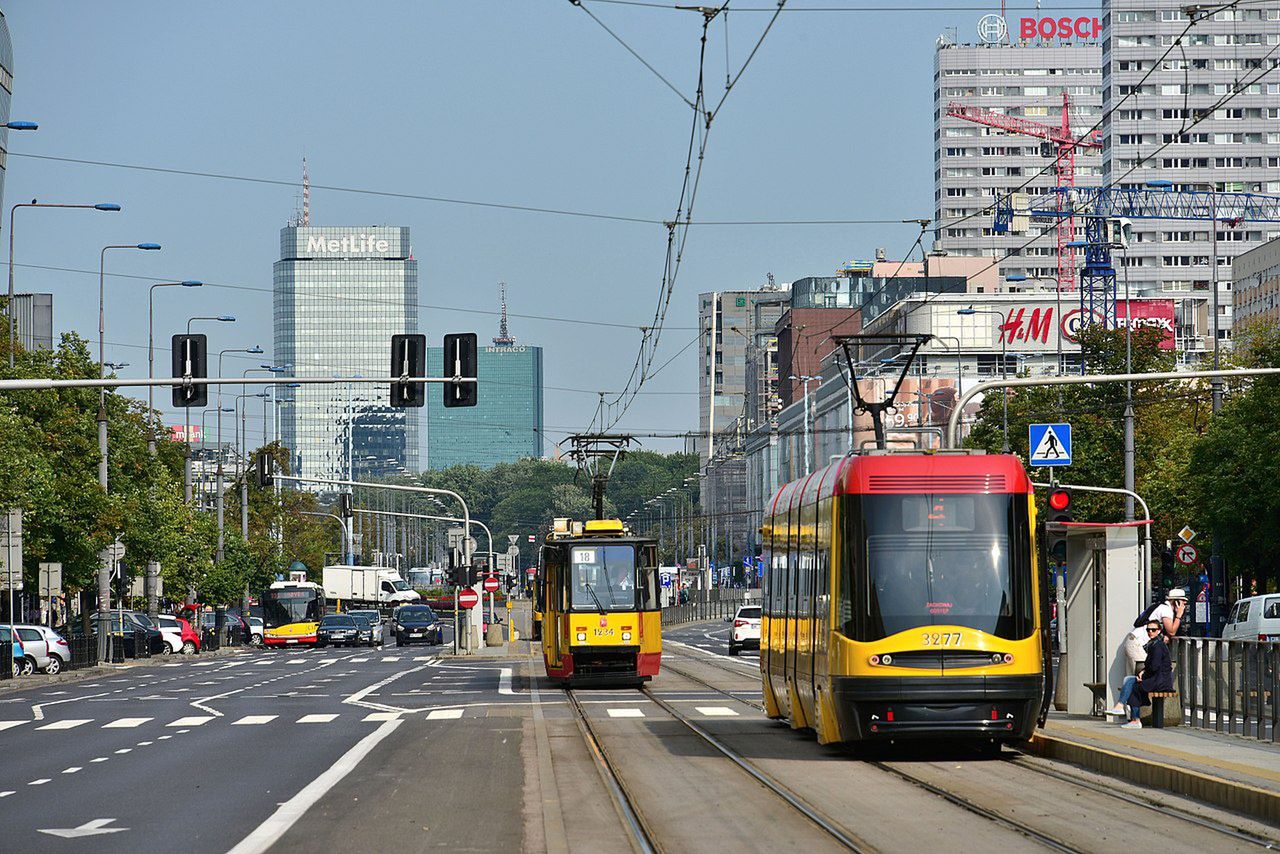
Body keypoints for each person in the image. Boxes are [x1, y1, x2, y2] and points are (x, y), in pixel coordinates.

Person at [1107, 620, 1174, 728]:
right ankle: (1122, 709)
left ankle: (1132, 717)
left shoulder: (1157, 646)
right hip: (1157, 678)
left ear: (1159, 631)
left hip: (1160, 681)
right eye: (1148, 630)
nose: (1150, 632)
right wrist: (1143, 672)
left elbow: (1154, 667)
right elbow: (1152, 666)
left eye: (1153, 630)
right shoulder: (1154, 644)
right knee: (1129, 680)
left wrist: (1144, 674)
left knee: (1133, 686)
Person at [1123, 588, 1187, 674]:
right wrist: (1178, 615)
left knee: (1137, 676)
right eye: (1183, 602)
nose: (1185, 605)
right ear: (1176, 602)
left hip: (1135, 642)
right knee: (1144, 673)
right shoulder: (1166, 610)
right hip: (1137, 643)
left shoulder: (1161, 607)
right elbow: (1172, 631)